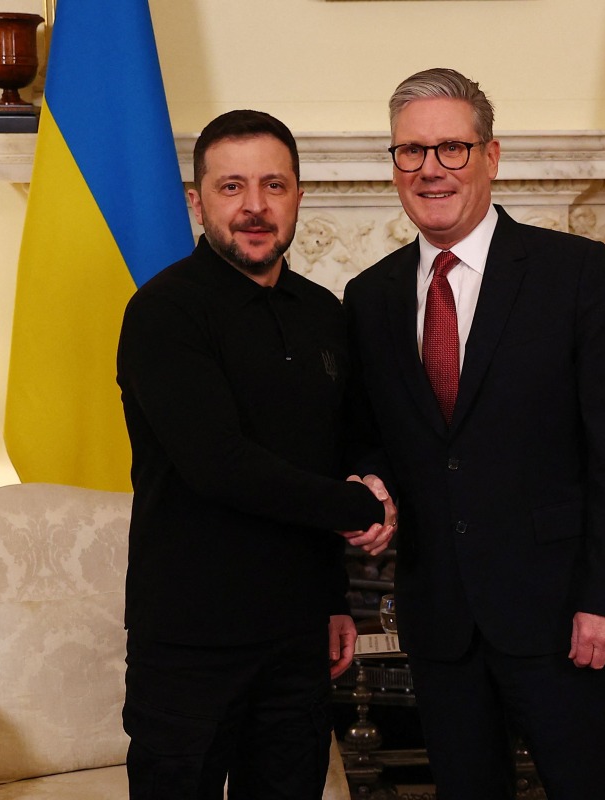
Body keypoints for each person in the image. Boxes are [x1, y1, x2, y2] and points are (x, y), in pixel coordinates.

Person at [343, 68, 605, 799]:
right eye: (409, 152)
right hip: (442, 621)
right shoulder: (370, 297)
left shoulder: (573, 273)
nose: (430, 170)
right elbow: (372, 439)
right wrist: (370, 491)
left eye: (451, 148)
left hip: (566, 620)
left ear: (491, 155)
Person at [116, 109, 396, 800]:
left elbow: (338, 447)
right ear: (197, 199)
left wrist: (336, 598)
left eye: (273, 186)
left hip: (297, 633)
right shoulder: (163, 312)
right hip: (190, 638)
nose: (254, 207)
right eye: (231, 187)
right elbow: (219, 463)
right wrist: (359, 506)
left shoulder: (324, 312)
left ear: (299, 195)